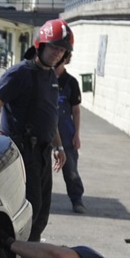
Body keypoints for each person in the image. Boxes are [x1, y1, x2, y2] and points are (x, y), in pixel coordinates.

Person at [0, 20, 69, 241]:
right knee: (29, 206)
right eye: (53, 48)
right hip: (22, 151)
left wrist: (58, 145)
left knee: (42, 211)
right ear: (40, 45)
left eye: (61, 50)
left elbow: (51, 115)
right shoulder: (20, 73)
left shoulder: (51, 75)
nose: (57, 54)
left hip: (42, 153)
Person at [52, 50, 85, 213]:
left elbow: (76, 110)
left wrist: (76, 134)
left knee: (71, 169)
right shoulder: (45, 78)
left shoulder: (71, 82)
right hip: (44, 131)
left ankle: (76, 200)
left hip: (66, 132)